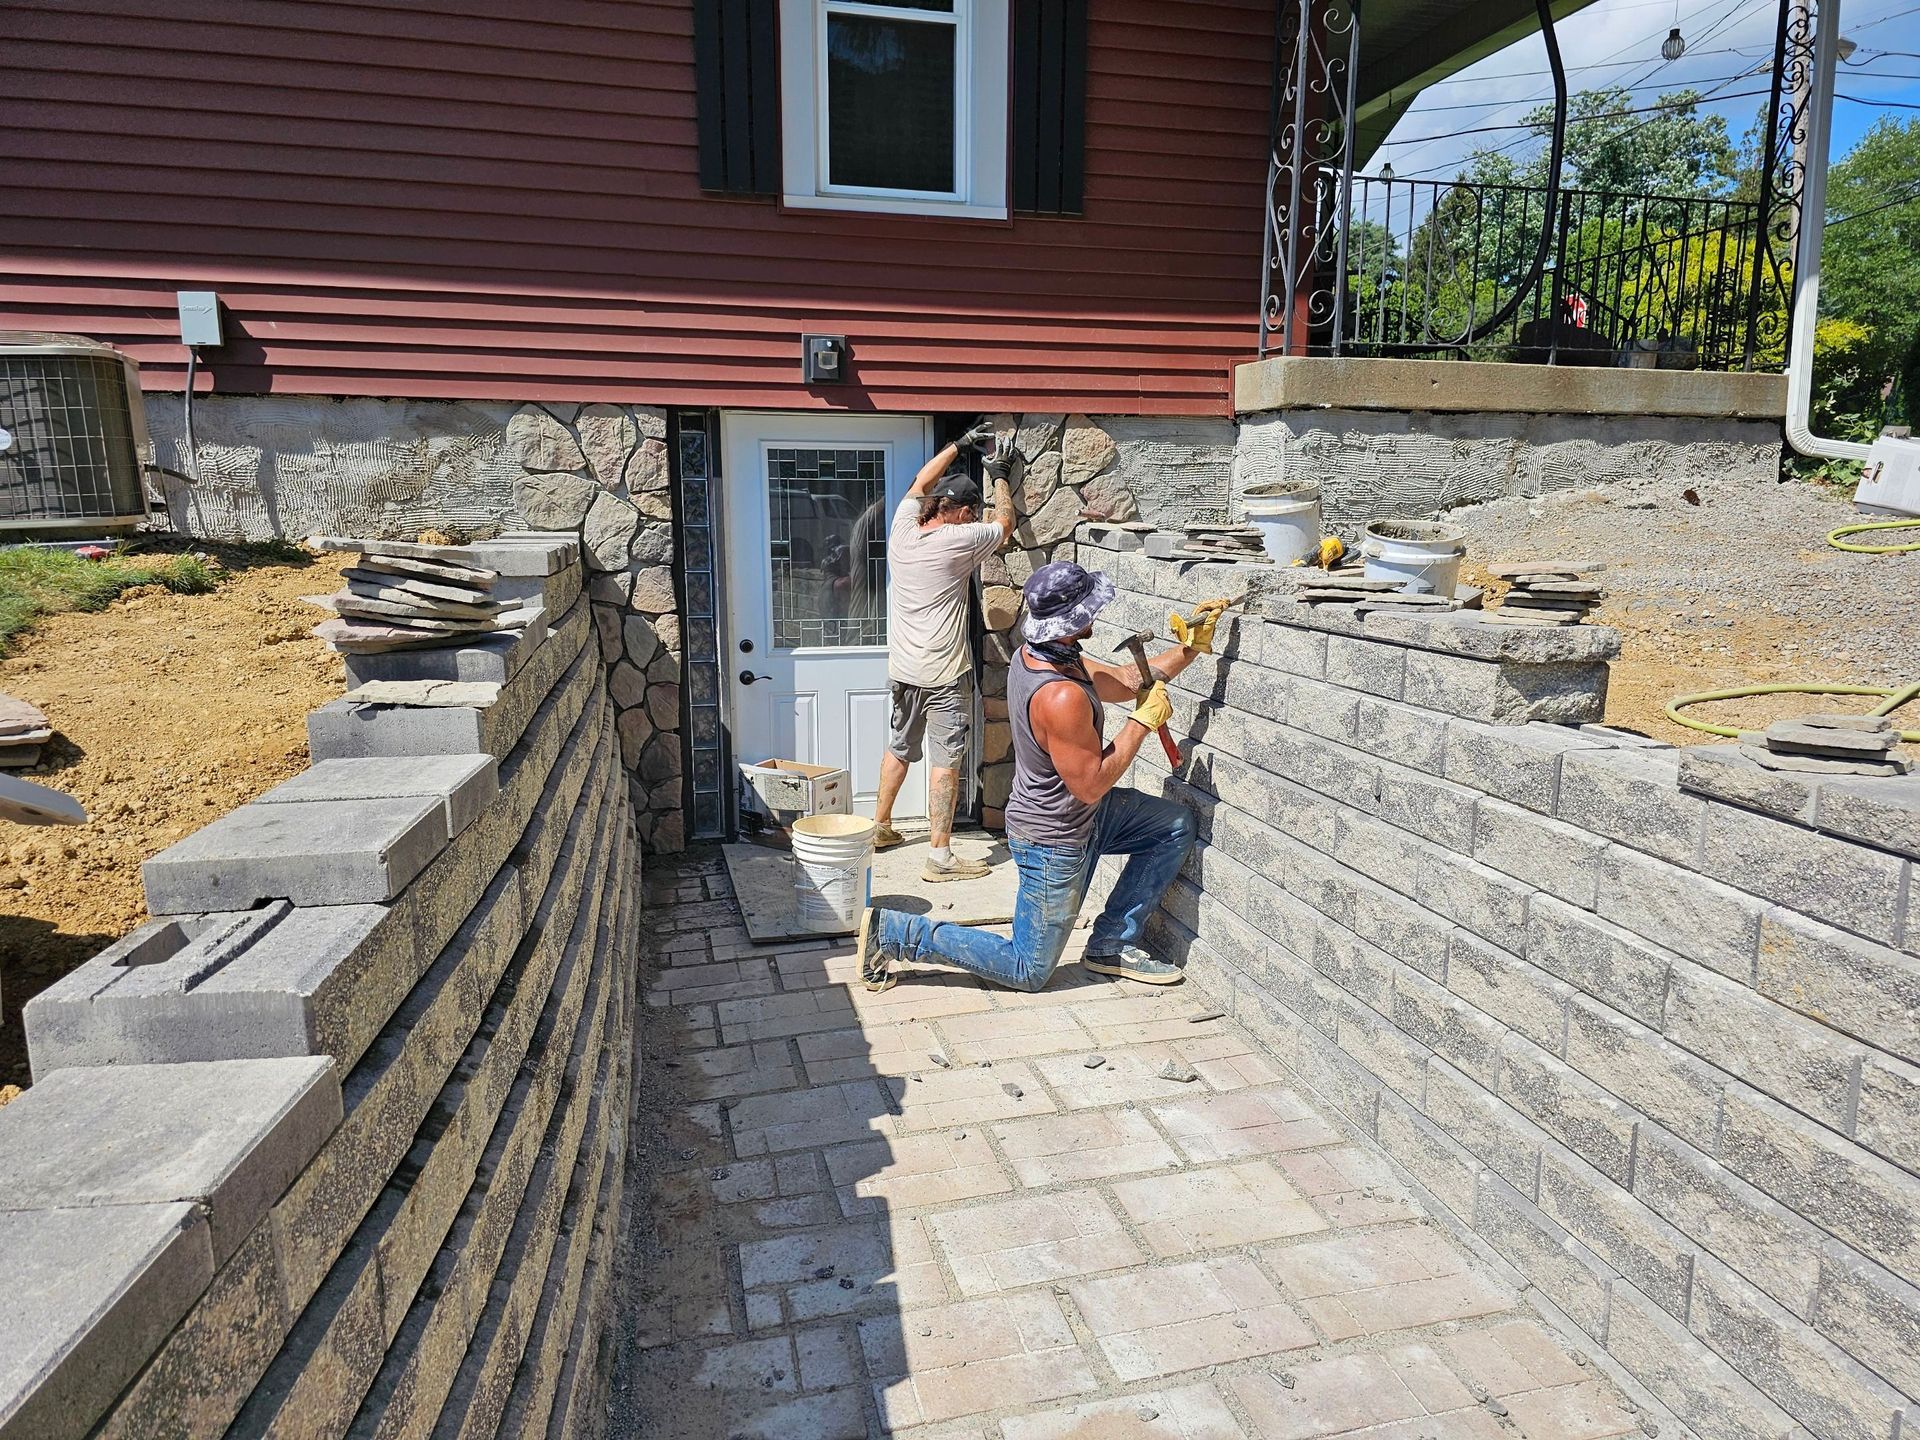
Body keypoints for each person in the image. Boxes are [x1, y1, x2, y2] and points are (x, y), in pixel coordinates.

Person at [858, 560, 1225, 991]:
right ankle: (895, 932)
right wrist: (1140, 724)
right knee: (1027, 969)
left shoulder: (1046, 656)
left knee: (1173, 826)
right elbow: (1090, 784)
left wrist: (1190, 648)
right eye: (1090, 609)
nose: (1097, 615)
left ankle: (1111, 945)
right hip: (1052, 838)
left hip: (1088, 816)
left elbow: (1127, 681)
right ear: (1071, 622)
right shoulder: (1060, 695)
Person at [872, 420, 1016, 882]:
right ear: (962, 512)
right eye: (971, 514)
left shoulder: (902, 528)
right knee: (946, 763)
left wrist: (958, 444)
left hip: (904, 669)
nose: (974, 521)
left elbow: (920, 482)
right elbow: (1005, 525)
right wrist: (999, 475)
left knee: (899, 746)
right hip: (943, 676)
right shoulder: (961, 540)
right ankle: (940, 858)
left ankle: (880, 826)